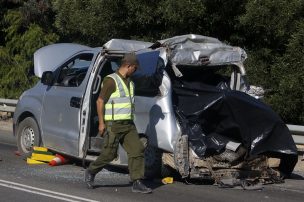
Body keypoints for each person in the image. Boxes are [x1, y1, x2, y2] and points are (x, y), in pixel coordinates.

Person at [84, 52, 152, 194]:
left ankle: (137, 181)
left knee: (137, 150)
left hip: (128, 124)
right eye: (135, 68)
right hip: (114, 125)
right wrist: (102, 123)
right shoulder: (111, 81)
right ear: (128, 65)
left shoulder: (130, 82)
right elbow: (100, 101)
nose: (135, 71)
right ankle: (91, 171)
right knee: (109, 154)